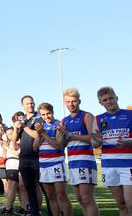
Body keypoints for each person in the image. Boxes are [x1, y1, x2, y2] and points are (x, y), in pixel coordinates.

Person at [57, 88, 100, 216]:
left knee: (87, 198)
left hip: (86, 161)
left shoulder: (86, 116)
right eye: (68, 101)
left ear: (79, 101)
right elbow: (61, 144)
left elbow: (93, 139)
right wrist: (61, 134)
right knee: (81, 200)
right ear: (65, 103)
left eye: (74, 101)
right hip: (72, 162)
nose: (71, 104)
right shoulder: (64, 120)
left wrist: (71, 135)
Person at [91, 86, 132, 215]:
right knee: (120, 203)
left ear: (116, 98)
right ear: (100, 103)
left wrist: (127, 142)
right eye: (105, 100)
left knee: (130, 202)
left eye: (111, 98)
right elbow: (94, 144)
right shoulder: (98, 119)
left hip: (128, 164)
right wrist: (97, 141)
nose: (109, 101)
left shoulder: (130, 115)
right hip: (109, 165)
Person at [33, 102, 72, 216]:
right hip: (43, 164)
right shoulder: (41, 127)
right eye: (43, 115)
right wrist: (39, 135)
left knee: (61, 195)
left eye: (48, 113)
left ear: (52, 112)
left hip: (56, 163)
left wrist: (43, 134)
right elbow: (35, 148)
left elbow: (57, 146)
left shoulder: (58, 125)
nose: (46, 117)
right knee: (50, 196)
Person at [12, 95, 45, 216]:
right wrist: (16, 128)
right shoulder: (22, 119)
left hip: (37, 156)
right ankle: (34, 212)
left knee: (42, 188)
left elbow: (37, 135)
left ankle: (45, 210)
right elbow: (14, 139)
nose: (30, 105)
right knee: (28, 188)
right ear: (23, 106)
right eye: (27, 104)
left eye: (32, 103)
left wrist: (24, 126)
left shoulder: (39, 117)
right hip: (24, 158)